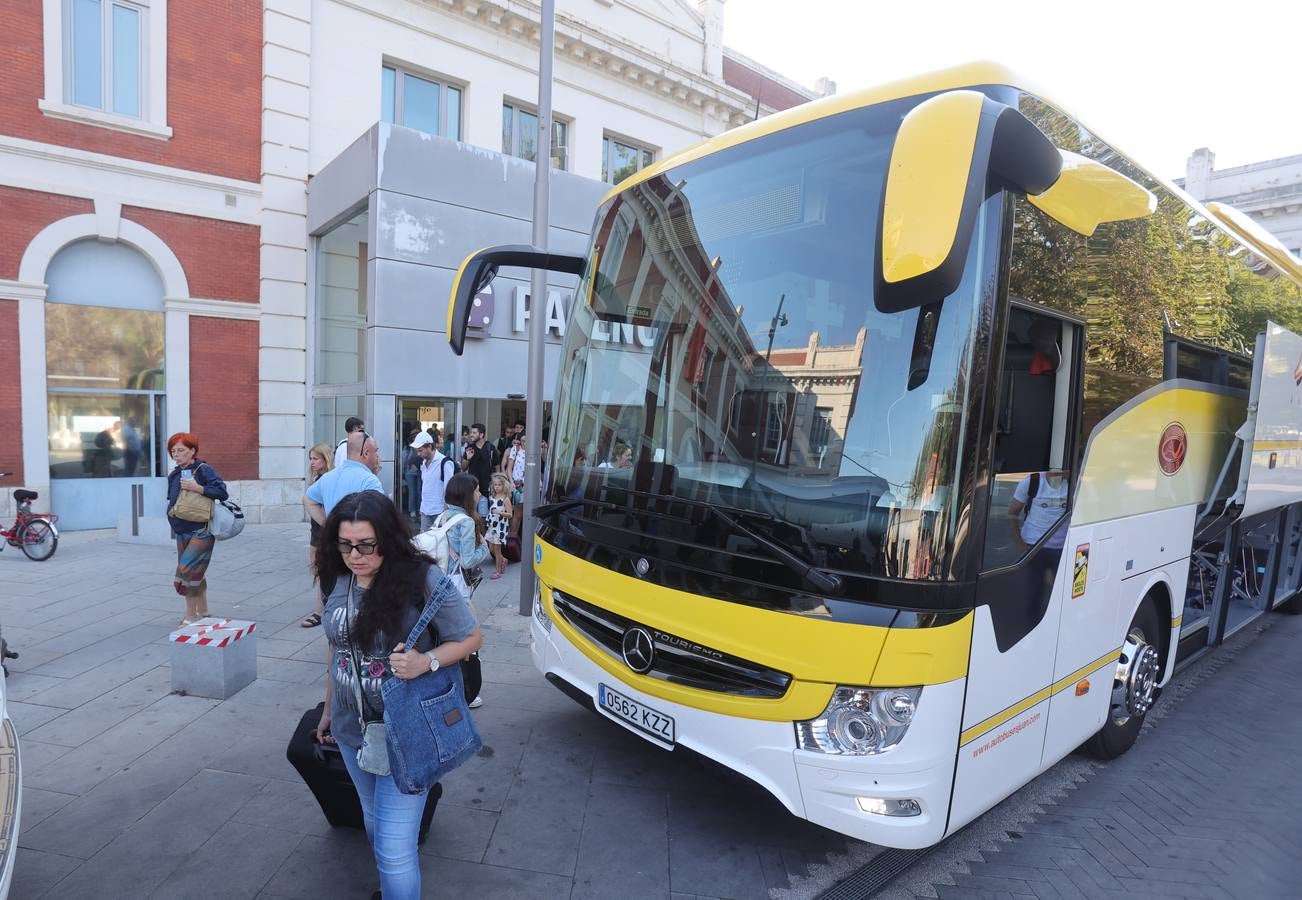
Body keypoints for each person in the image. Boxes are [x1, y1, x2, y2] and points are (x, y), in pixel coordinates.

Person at [313, 491, 483, 900]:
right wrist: (330, 707)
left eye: (367, 545)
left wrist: (428, 662)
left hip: (406, 731)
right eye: (345, 544)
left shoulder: (422, 579)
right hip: (352, 729)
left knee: (393, 851)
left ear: (387, 538)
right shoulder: (337, 577)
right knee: (372, 820)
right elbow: (338, 646)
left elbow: (472, 636)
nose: (356, 554)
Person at [165, 433, 229, 626]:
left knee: (187, 572)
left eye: (181, 450)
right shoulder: (174, 474)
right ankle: (204, 610)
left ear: (192, 451)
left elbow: (222, 492)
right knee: (196, 570)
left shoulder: (203, 470)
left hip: (202, 530)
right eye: (173, 451)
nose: (177, 455)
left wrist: (198, 488)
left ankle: (191, 615)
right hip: (181, 529)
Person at [440, 473, 491, 709]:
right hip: (458, 590)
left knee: (446, 638)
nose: (480, 494)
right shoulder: (466, 522)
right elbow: (469, 560)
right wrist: (486, 550)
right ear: (468, 495)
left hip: (441, 584)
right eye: (477, 490)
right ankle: (467, 691)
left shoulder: (443, 517)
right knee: (469, 638)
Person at [306, 431, 383, 530]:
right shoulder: (370, 481)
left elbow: (308, 499)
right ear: (366, 453)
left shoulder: (328, 477)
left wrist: (329, 525)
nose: (377, 455)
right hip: (358, 543)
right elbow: (380, 519)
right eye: (376, 451)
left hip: (333, 541)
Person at [301, 442, 334, 628]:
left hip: (323, 531)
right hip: (316, 531)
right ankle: (324, 606)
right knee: (317, 569)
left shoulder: (326, 479)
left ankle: (320, 611)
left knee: (321, 571)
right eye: (311, 459)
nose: (312, 462)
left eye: (316, 459)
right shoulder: (318, 477)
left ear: (325, 459)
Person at [1008, 469, 1070, 554]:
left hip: (1065, 546)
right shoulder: (1032, 482)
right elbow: (1013, 513)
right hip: (1033, 545)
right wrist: (1020, 544)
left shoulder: (1075, 484)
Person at [414, 431, 455, 531]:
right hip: (425, 511)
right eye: (417, 451)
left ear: (429, 446)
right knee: (424, 544)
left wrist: (445, 515)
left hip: (440, 512)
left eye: (420, 450)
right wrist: (422, 509)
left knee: (439, 544)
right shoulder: (423, 463)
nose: (418, 454)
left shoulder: (445, 462)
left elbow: (449, 490)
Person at [462, 423, 496, 518]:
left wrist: (495, 484)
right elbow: (463, 467)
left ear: (481, 435)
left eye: (474, 432)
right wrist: (468, 458)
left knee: (484, 517)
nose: (471, 434)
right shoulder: (469, 448)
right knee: (471, 515)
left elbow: (497, 467)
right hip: (472, 489)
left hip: (487, 489)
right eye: (471, 432)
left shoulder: (490, 448)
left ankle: (481, 532)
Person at [485, 473, 513, 580]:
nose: (496, 487)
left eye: (499, 485)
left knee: (497, 551)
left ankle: (497, 571)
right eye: (495, 485)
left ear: (504, 485)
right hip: (492, 526)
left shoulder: (505, 499)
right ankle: (503, 560)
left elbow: (510, 515)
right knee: (491, 548)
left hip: (500, 528)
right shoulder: (493, 497)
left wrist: (500, 513)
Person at [401, 429, 422, 522]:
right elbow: (403, 461)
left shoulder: (421, 446)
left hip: (420, 472)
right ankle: (412, 511)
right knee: (412, 492)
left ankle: (419, 510)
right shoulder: (408, 448)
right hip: (409, 473)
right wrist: (401, 473)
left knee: (419, 492)